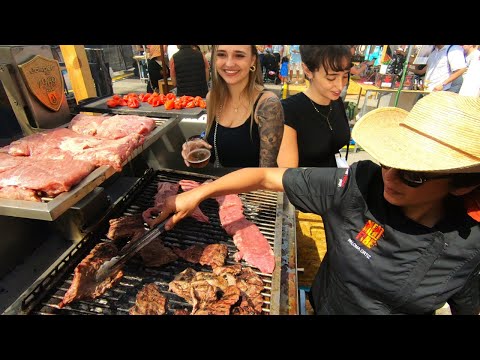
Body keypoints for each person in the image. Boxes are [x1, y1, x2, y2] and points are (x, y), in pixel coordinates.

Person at [156, 91, 480, 315]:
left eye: (414, 176)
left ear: (460, 185)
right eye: (388, 161)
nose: (390, 177)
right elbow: (267, 177)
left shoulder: (471, 244)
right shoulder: (357, 186)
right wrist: (195, 193)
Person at [180, 45, 284, 168]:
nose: (229, 63)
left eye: (239, 55)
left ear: (252, 60)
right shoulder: (212, 97)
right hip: (218, 183)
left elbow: (266, 173)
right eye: (221, 54)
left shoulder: (267, 105)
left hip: (252, 187)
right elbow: (217, 152)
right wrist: (200, 145)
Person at [277, 45, 351, 168]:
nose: (340, 86)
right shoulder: (288, 111)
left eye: (345, 76)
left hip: (336, 180)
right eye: (331, 78)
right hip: (307, 185)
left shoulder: (336, 102)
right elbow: (288, 175)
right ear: (307, 71)